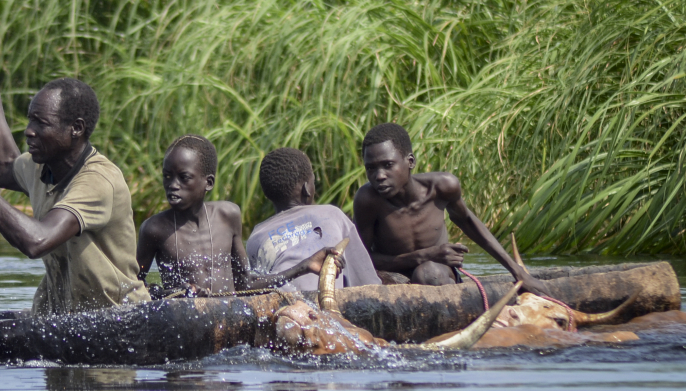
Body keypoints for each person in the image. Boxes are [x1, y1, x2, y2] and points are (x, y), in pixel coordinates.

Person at [0, 27, 151, 315]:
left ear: (76, 129)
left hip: (119, 318)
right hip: (62, 318)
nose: (29, 132)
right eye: (29, 120)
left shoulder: (99, 181)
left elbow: (37, 241)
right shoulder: (41, 166)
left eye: (41, 123)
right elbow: (4, 166)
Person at [352, 122, 548, 295]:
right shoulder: (368, 200)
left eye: (388, 165)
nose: (379, 176)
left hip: (438, 274)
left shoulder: (442, 187)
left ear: (410, 162)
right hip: (393, 277)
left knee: (428, 272)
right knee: (419, 270)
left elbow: (470, 224)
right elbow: (362, 260)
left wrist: (518, 272)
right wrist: (426, 255)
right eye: (371, 168)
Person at [136, 135, 342, 297]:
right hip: (185, 325)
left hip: (229, 320)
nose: (173, 185)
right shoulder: (154, 229)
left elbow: (245, 284)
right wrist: (169, 293)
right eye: (167, 176)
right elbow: (133, 287)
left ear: (208, 182)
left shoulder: (227, 216)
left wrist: (304, 266)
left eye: (184, 178)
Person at [247, 147, 380, 291]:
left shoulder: (255, 237)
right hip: (326, 305)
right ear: (307, 188)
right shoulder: (331, 214)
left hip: (282, 307)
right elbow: (367, 283)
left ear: (267, 195)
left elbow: (254, 286)